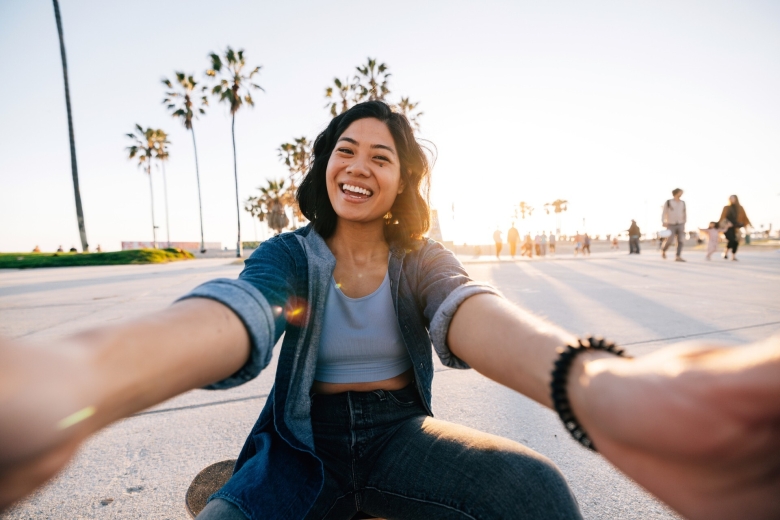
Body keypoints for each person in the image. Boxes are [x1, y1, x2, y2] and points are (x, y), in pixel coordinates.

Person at [1, 101, 780, 520]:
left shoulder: (420, 261)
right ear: (325, 166)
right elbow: (232, 313)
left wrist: (599, 388)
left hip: (398, 438)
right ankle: (247, 488)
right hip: (298, 446)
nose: (359, 164)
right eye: (346, 148)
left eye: (382, 155)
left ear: (402, 182)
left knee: (536, 494)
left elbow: (473, 312)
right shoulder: (289, 256)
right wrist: (77, 377)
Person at [719, 195, 751, 261]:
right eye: (730, 198)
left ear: (736, 199)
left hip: (736, 227)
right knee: (731, 240)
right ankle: (725, 253)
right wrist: (726, 223)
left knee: (736, 241)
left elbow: (745, 217)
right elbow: (722, 217)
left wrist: (748, 224)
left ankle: (733, 256)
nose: (731, 199)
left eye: (733, 198)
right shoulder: (726, 207)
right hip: (727, 227)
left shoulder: (740, 208)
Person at [661, 188, 687, 262]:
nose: (681, 194)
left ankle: (678, 256)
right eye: (680, 192)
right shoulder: (668, 202)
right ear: (676, 193)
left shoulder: (683, 203)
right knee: (670, 239)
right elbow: (664, 212)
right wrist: (663, 221)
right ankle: (664, 250)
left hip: (681, 223)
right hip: (670, 223)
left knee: (680, 240)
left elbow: (685, 213)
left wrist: (685, 222)